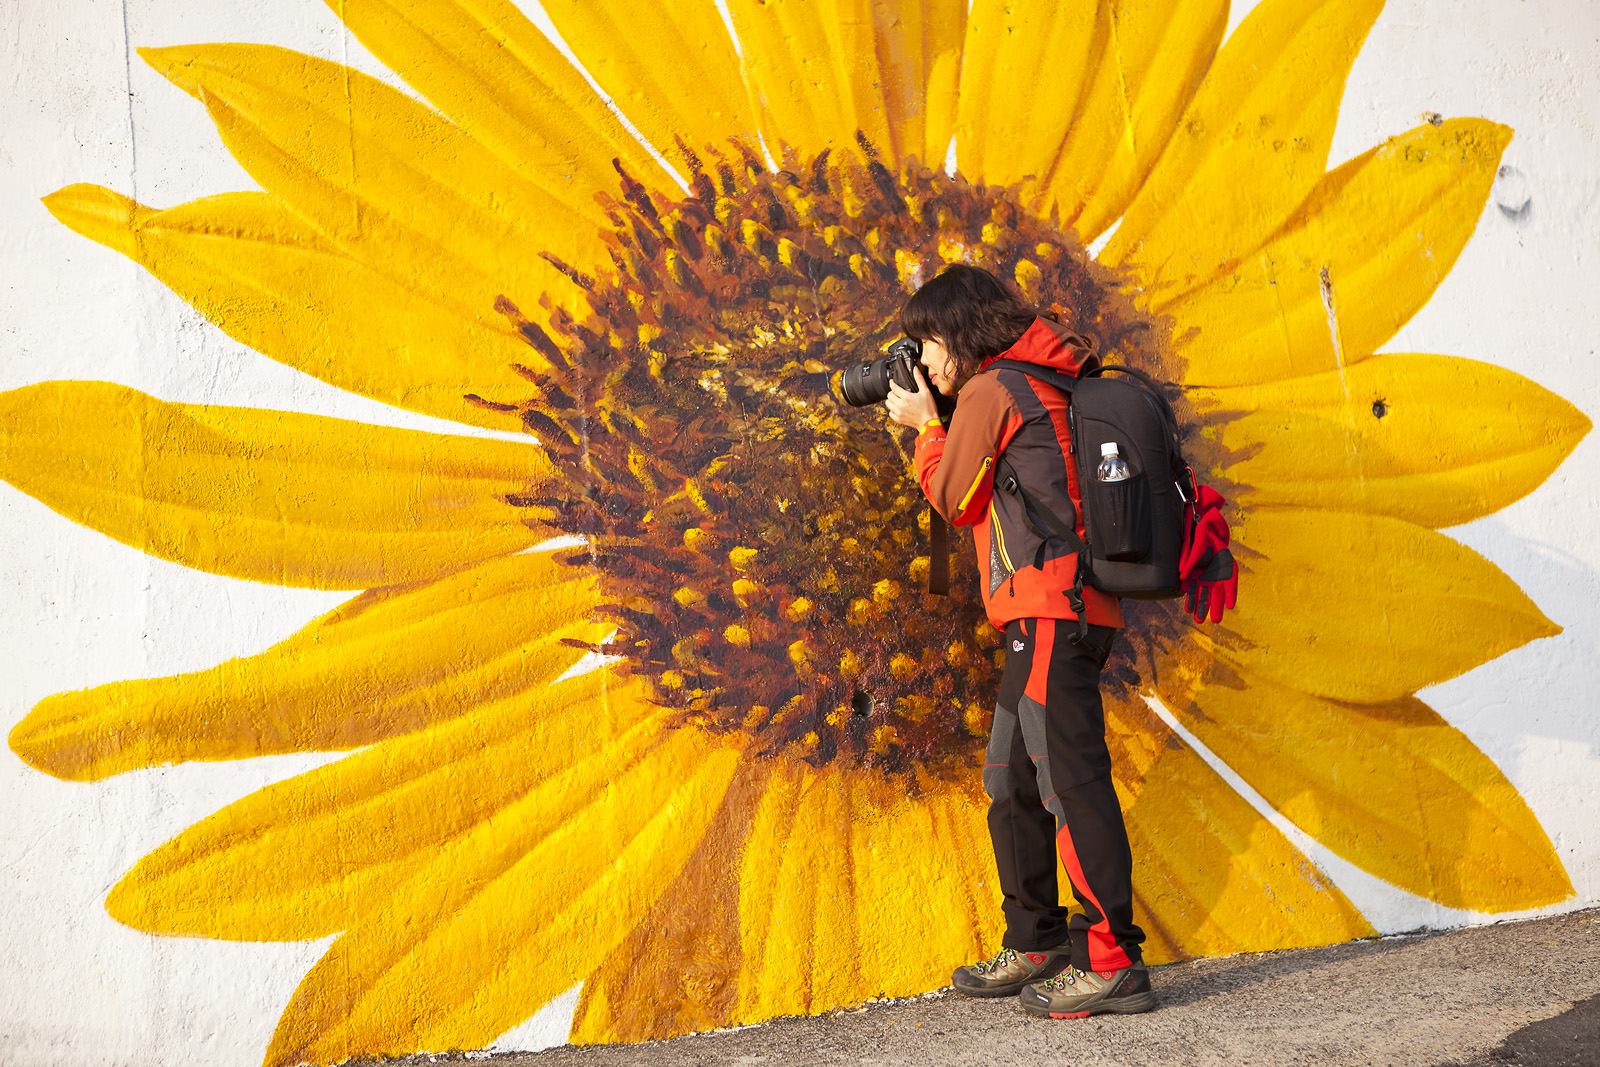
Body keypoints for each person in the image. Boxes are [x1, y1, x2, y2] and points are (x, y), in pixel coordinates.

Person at [883, 263, 1154, 1019]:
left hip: (1048, 609)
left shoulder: (992, 389)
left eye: (926, 342)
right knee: (1012, 777)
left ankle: (1112, 961)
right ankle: (1037, 941)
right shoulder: (1046, 377)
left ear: (956, 333)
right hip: (1061, 610)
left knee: (1069, 783)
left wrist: (927, 428)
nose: (924, 361)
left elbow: (955, 497)